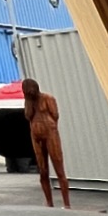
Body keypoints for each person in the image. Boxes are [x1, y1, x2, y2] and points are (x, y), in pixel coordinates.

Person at [22, 78, 71, 209]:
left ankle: (67, 203)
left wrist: (49, 128)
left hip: (50, 134)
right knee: (43, 171)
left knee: (59, 168)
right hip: (36, 136)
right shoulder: (28, 103)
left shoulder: (48, 98)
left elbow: (55, 115)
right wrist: (29, 103)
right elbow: (28, 116)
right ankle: (49, 202)